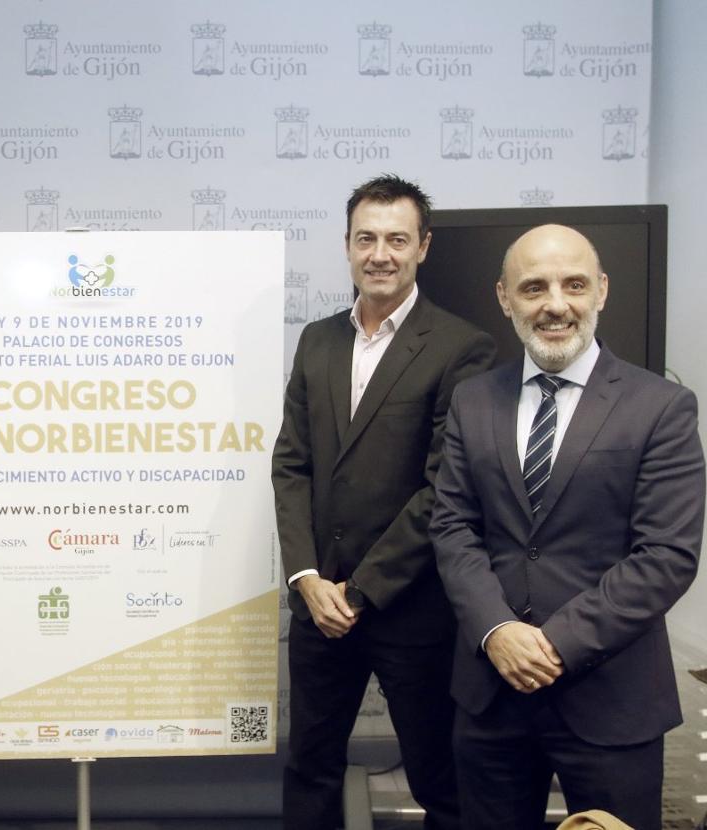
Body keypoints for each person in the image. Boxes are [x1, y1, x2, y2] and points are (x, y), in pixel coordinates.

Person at [431, 224, 704, 830]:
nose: (556, 304)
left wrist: (555, 645)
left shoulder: (660, 407)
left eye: (574, 284)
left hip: (612, 697)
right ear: (505, 298)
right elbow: (452, 527)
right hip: (490, 694)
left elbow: (666, 555)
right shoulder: (473, 401)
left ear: (601, 291)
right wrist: (497, 628)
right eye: (534, 288)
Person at [271, 174, 495, 830]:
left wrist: (360, 591)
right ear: (346, 246)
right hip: (318, 609)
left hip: (411, 610)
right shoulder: (318, 340)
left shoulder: (462, 347)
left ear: (422, 247)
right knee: (309, 772)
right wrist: (309, 579)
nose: (380, 254)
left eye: (397, 239)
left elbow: (446, 487)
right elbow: (293, 466)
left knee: (439, 781)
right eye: (366, 238)